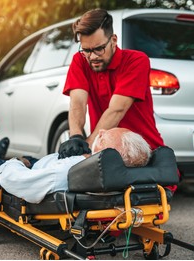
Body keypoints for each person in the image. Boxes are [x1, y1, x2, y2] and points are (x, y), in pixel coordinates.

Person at [59, 9, 164, 160]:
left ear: (113, 40)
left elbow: (117, 109)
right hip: (104, 155)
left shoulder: (136, 61)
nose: (93, 56)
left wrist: (88, 147)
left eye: (99, 49)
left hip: (143, 155)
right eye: (87, 50)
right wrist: (76, 136)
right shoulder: (80, 60)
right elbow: (77, 103)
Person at [0, 128, 152, 204]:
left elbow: (16, 180)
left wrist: (13, 163)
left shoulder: (69, 171)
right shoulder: (117, 173)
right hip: (46, 160)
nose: (100, 131)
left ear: (107, 156)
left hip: (29, 167)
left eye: (104, 138)